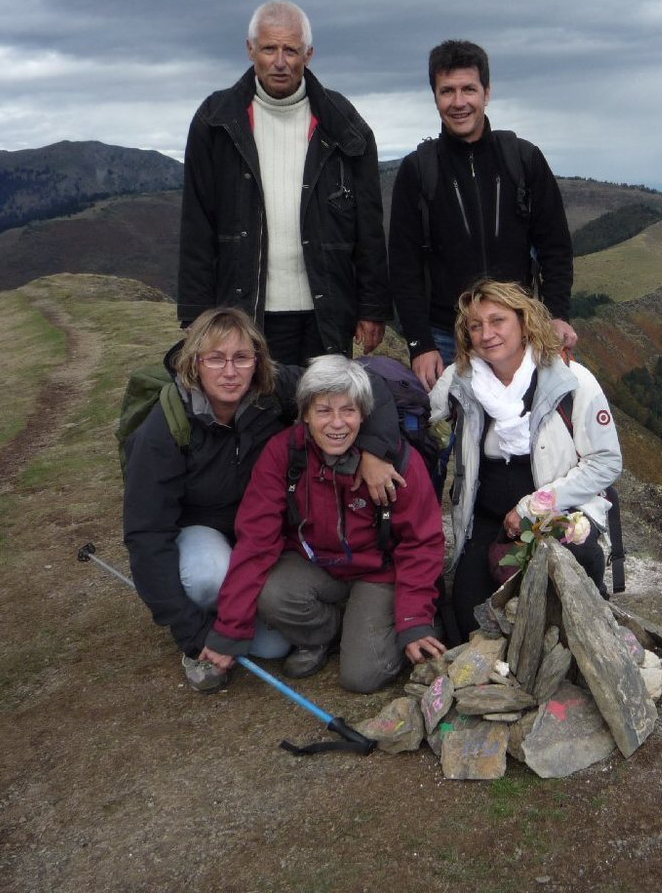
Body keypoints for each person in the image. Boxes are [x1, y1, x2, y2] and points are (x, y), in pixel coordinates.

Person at [122, 309, 404, 693]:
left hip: (266, 524)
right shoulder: (165, 428)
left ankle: (248, 615)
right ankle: (211, 623)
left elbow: (364, 381)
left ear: (257, 360)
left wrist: (374, 450)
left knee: (272, 647)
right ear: (194, 362)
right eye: (215, 359)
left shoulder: (272, 388)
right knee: (208, 575)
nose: (230, 372)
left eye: (241, 358)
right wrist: (193, 635)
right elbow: (146, 535)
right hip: (205, 529)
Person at [203, 357, 446, 692]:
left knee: (362, 677)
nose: (337, 423)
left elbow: (422, 542)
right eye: (323, 411)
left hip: (378, 572)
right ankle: (324, 634)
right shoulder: (283, 453)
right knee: (271, 594)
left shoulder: (397, 462)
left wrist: (414, 620)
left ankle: (400, 620)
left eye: (348, 410)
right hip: (314, 563)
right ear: (305, 414)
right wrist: (229, 630)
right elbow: (256, 540)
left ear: (364, 414)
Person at [178, 0, 391, 364]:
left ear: (308, 54)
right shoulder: (215, 122)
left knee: (323, 403)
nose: (280, 62)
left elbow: (368, 226)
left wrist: (372, 307)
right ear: (250, 50)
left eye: (290, 50)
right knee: (256, 403)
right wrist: (196, 312)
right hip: (244, 312)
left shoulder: (344, 124)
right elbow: (197, 224)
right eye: (269, 49)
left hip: (326, 313)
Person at [430, 280, 621, 634]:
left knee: (566, 600)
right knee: (470, 620)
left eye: (497, 321)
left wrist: (533, 508)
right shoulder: (461, 381)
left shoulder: (571, 380)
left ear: (523, 321)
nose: (487, 334)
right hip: (489, 521)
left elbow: (606, 461)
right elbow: (421, 416)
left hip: (560, 514)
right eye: (475, 326)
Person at [388, 39, 576, 392]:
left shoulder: (523, 159)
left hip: (519, 330)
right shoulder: (418, 171)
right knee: (457, 427)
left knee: (529, 423)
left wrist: (556, 315)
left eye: (469, 89)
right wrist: (420, 343)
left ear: (486, 93)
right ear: (435, 97)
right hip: (447, 338)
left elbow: (555, 247)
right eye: (447, 91)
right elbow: (403, 266)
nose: (459, 102)